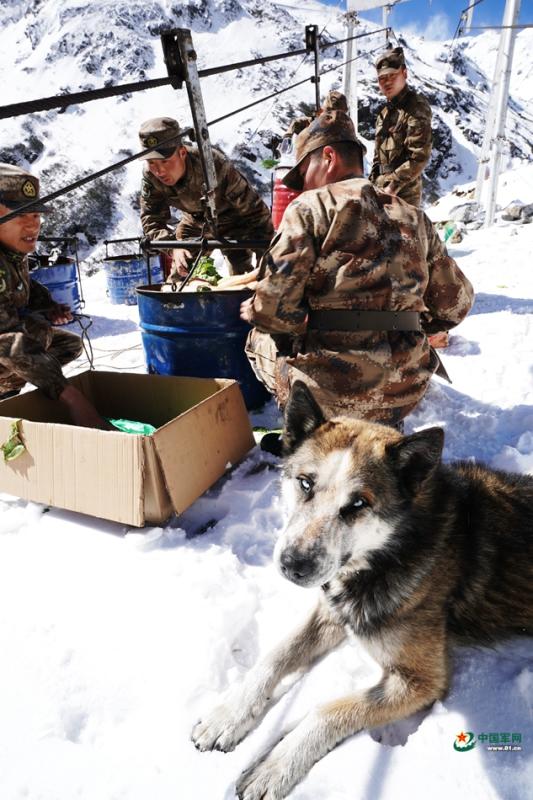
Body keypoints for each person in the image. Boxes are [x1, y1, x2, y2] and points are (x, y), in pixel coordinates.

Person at [240, 110, 473, 444]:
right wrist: (412, 328)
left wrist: (275, 317)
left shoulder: (310, 209)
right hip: (404, 387)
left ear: (329, 157)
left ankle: (304, 434)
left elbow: (270, 309)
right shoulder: (414, 216)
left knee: (255, 339)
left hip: (332, 388)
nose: (302, 185)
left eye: (304, 172)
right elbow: (455, 306)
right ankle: (381, 419)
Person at [0, 163, 107, 428]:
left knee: (65, 344)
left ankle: (9, 393)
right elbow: (5, 342)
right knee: (32, 336)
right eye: (21, 216)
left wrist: (48, 306)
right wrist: (73, 399)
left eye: (36, 215)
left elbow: (22, 287)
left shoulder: (11, 251)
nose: (33, 224)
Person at [138, 117, 274, 280]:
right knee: (178, 279)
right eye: (151, 162)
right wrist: (173, 247)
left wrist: (264, 255)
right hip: (195, 221)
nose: (159, 171)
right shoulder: (150, 177)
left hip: (236, 220)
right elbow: (151, 218)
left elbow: (256, 213)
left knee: (245, 279)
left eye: (165, 161)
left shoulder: (213, 166)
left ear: (182, 152)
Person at [369, 46, 432, 208]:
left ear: (404, 73)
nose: (387, 81)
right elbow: (378, 158)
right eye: (382, 78)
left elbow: (419, 157)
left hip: (403, 195)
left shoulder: (415, 107)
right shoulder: (384, 113)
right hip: (380, 189)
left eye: (392, 75)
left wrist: (392, 187)